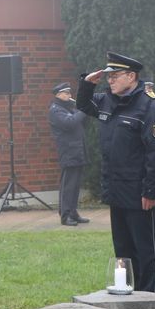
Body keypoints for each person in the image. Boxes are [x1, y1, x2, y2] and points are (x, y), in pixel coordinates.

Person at [75, 51, 155, 293]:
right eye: (108, 76)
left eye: (115, 76)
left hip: (139, 193)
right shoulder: (108, 100)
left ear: (132, 76)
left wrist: (150, 191)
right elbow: (83, 104)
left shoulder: (149, 106)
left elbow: (154, 153)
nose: (110, 80)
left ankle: (149, 300)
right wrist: (87, 83)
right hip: (116, 189)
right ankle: (127, 296)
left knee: (145, 250)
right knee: (123, 250)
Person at [48, 82, 90, 226]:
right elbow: (69, 123)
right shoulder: (56, 110)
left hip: (76, 151)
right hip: (68, 152)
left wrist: (83, 111)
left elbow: (80, 124)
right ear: (58, 95)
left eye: (69, 93)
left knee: (75, 185)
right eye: (66, 93)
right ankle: (65, 216)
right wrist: (83, 111)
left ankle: (73, 212)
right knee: (68, 186)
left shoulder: (68, 108)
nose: (69, 96)